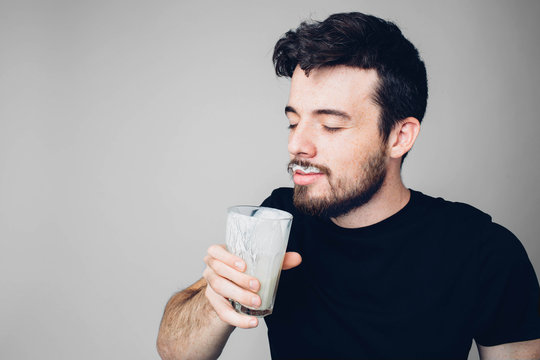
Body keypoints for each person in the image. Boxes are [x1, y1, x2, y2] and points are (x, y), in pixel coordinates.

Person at [156, 12, 540, 360]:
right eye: (294, 121)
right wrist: (217, 295)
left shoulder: (483, 250)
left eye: (331, 125)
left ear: (399, 137)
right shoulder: (279, 219)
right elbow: (175, 352)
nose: (296, 145)